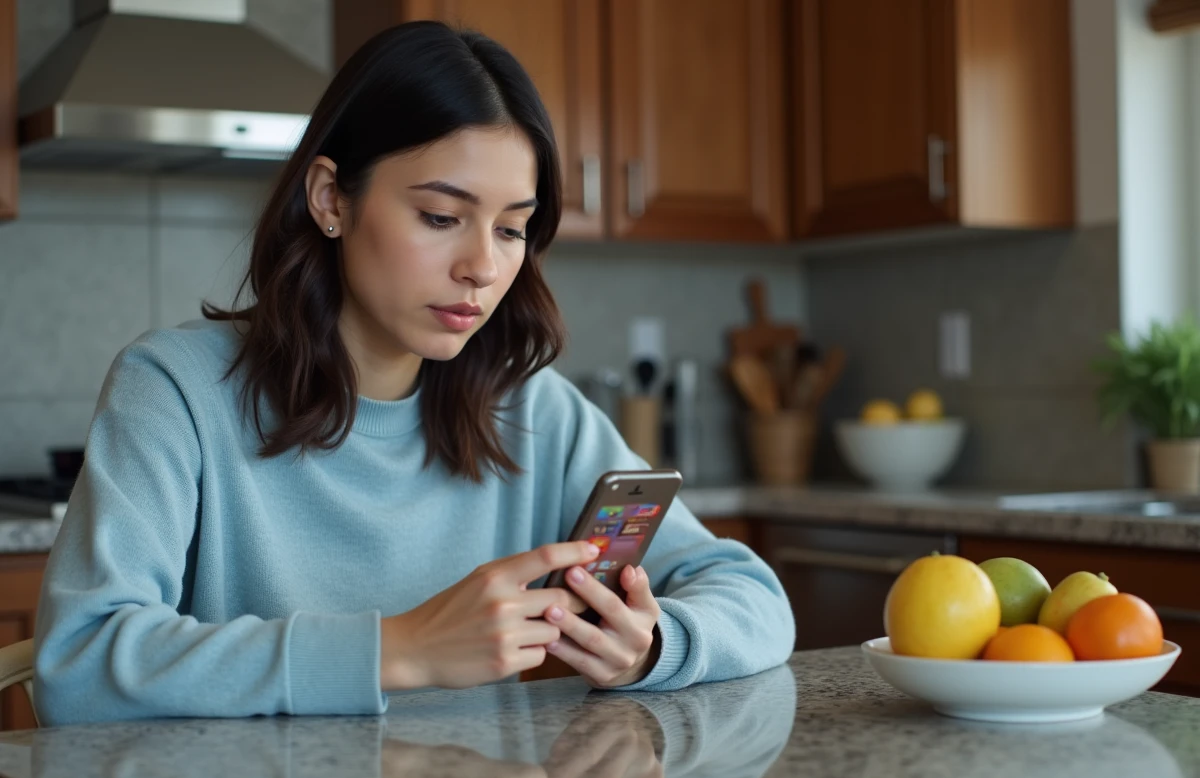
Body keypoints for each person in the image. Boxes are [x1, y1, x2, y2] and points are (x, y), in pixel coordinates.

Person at [32, 21, 794, 727]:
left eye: (512, 228)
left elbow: (753, 596)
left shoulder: (533, 412)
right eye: (440, 217)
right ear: (330, 199)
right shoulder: (174, 388)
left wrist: (652, 648)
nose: (482, 266)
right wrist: (399, 650)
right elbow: (79, 665)